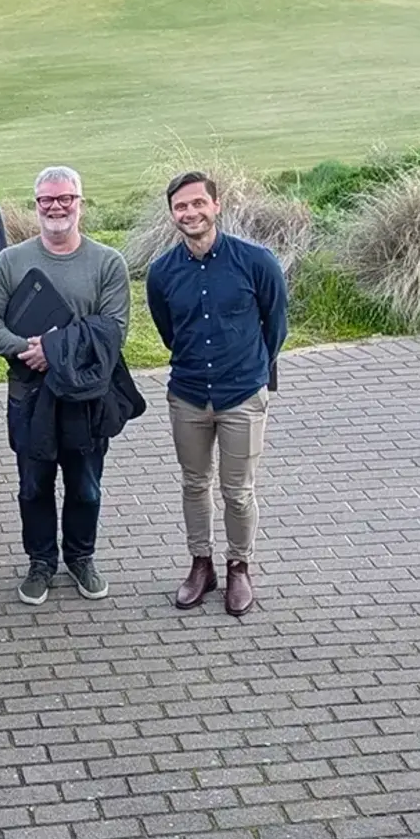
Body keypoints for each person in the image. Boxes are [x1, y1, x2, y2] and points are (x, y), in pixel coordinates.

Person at [0, 166, 133, 607]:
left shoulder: (107, 262)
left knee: (86, 487)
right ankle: (41, 562)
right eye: (46, 200)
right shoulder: (12, 261)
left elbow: (112, 332)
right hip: (29, 396)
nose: (56, 207)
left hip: (87, 399)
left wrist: (54, 352)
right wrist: (31, 350)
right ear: (36, 204)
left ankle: (81, 557)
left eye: (65, 198)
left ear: (80, 202)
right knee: (33, 485)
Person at [147, 172, 288, 617]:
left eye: (197, 204)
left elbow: (276, 324)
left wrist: (253, 373)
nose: (190, 213)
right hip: (187, 395)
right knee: (194, 484)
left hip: (242, 396)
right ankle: (201, 564)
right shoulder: (162, 272)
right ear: (172, 214)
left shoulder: (256, 261)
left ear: (216, 205)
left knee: (238, 491)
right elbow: (169, 332)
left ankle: (239, 567)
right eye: (180, 207)